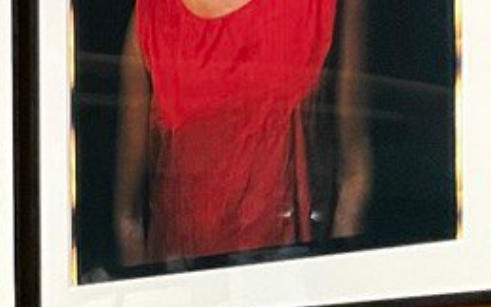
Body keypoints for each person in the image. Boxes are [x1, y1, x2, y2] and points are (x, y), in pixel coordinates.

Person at [114, 0, 370, 268]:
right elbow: (128, 216)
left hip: (298, 280)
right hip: (187, 286)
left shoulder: (328, 7)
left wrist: (337, 280)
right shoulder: (154, 18)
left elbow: (354, 176)